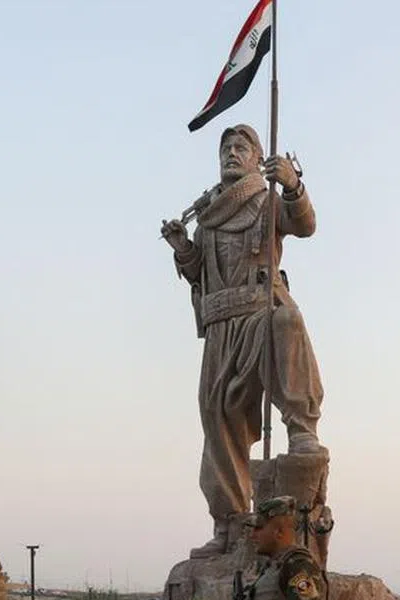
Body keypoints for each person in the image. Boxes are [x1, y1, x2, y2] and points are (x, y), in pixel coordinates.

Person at [160, 124, 326, 558]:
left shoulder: (267, 201)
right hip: (220, 326)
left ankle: (301, 426)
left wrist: (293, 185)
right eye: (226, 149)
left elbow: (305, 225)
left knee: (288, 321)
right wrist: (183, 249)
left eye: (241, 148)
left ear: (256, 158)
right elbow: (200, 274)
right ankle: (230, 523)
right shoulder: (209, 216)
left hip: (259, 311)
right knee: (218, 422)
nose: (231, 154)